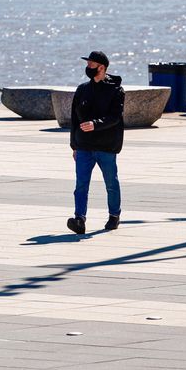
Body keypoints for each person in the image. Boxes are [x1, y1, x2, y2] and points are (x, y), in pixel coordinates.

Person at [67, 50, 124, 235]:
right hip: (84, 145)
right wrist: (74, 145)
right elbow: (74, 119)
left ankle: (114, 216)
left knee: (111, 183)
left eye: (91, 64)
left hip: (106, 146)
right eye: (87, 64)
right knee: (81, 185)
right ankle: (79, 220)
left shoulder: (116, 90)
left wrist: (95, 124)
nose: (88, 67)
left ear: (102, 67)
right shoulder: (82, 89)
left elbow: (115, 117)